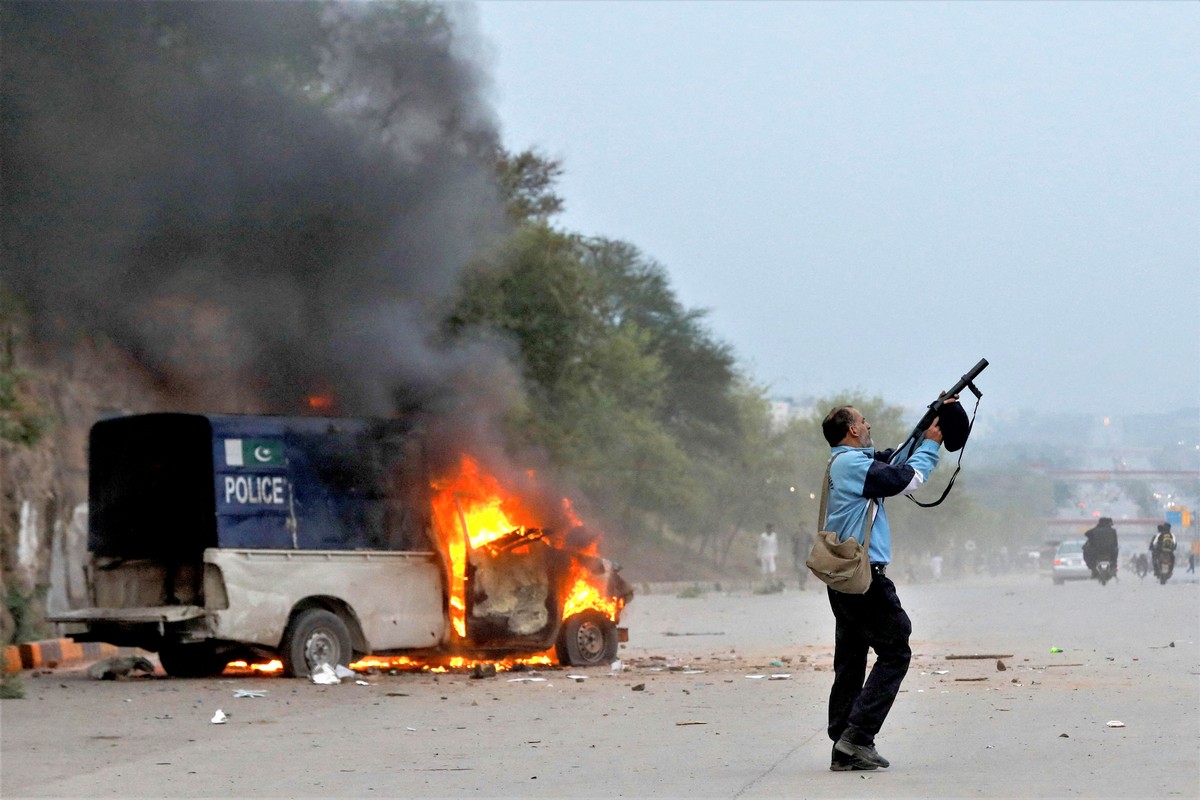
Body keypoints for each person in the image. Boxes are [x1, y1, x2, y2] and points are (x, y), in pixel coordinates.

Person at [819, 403, 947, 772]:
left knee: (851, 658)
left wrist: (926, 424)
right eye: (862, 420)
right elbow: (906, 478)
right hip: (865, 578)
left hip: (845, 579)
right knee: (895, 650)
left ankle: (843, 742)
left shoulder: (845, 462)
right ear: (852, 431)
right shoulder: (854, 465)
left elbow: (893, 459)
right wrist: (932, 446)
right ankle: (857, 738)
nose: (868, 423)